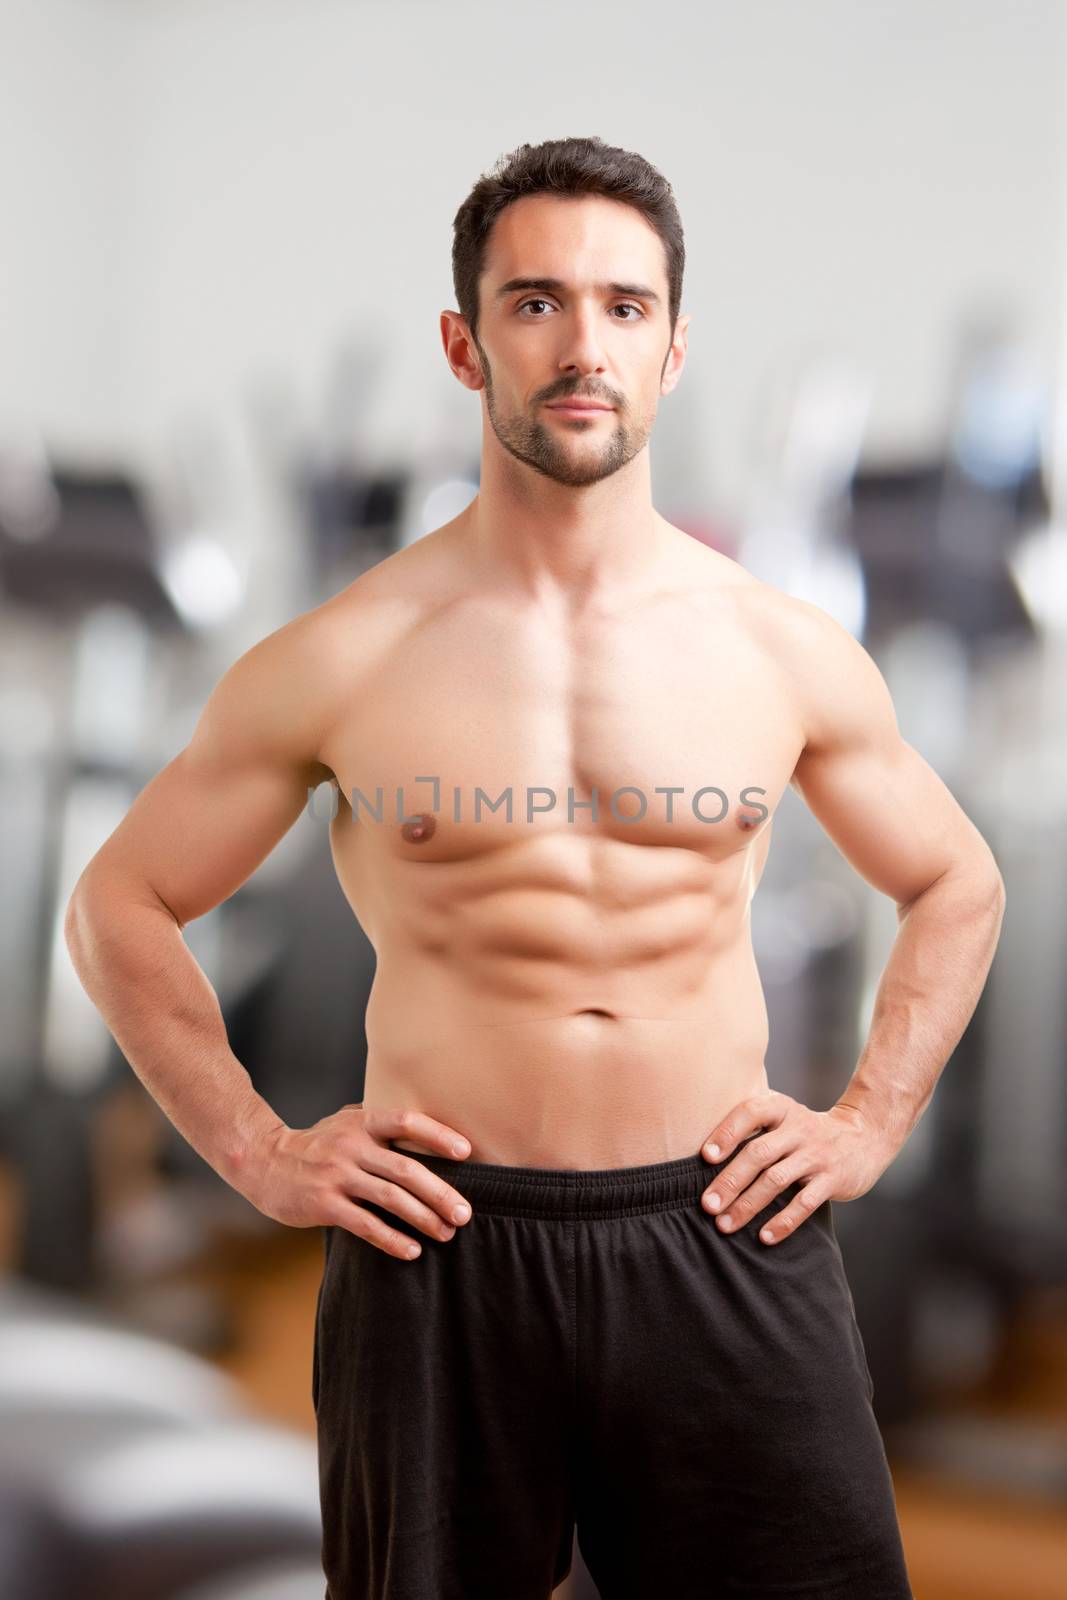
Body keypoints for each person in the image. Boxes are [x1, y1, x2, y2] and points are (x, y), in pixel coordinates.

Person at [65, 136, 1005, 1600]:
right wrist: (258, 1147)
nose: (584, 345)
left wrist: (870, 1122)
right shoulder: (343, 656)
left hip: (720, 1227)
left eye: (626, 307)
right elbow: (119, 899)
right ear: (466, 341)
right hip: (439, 1251)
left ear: (675, 348)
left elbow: (958, 881)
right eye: (537, 303)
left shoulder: (777, 649)